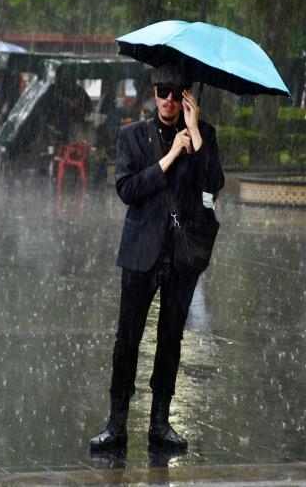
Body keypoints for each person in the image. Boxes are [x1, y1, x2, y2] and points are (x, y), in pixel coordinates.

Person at [90, 64, 224, 452]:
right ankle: (116, 423)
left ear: (187, 96)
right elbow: (127, 189)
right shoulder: (132, 136)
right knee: (127, 339)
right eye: (162, 91)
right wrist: (169, 157)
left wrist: (195, 133)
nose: (167, 100)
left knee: (170, 339)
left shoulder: (204, 136)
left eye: (175, 92)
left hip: (182, 255)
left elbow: (213, 184)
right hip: (140, 251)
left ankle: (160, 422)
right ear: (152, 92)